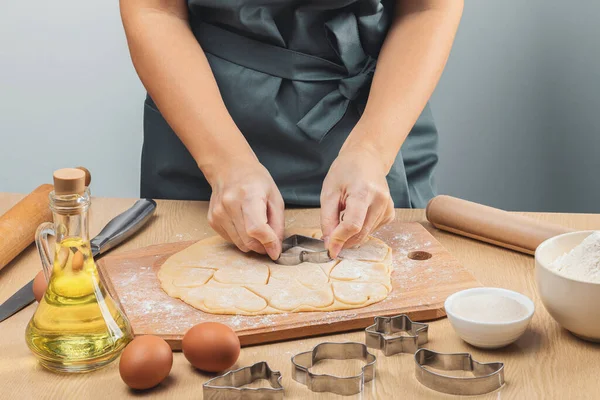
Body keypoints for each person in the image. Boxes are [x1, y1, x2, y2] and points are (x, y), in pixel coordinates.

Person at [120, 0, 463, 260]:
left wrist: (373, 150)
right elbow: (155, 10)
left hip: (381, 113)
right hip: (204, 121)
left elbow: (426, 7)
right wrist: (226, 164)